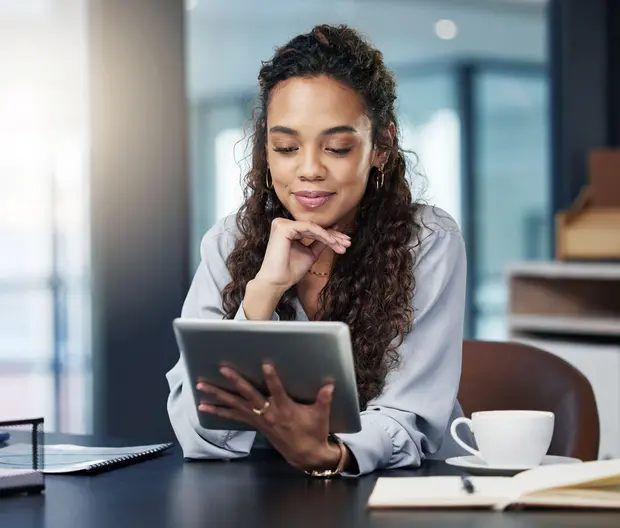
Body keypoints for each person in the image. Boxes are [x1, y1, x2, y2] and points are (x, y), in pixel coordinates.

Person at [167, 24, 467, 477]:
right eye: (286, 147)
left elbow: (410, 419)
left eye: (337, 147)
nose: (309, 170)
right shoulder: (228, 242)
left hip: (403, 493)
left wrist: (330, 454)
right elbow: (199, 433)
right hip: (268, 499)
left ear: (380, 147)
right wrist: (263, 294)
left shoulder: (426, 240)